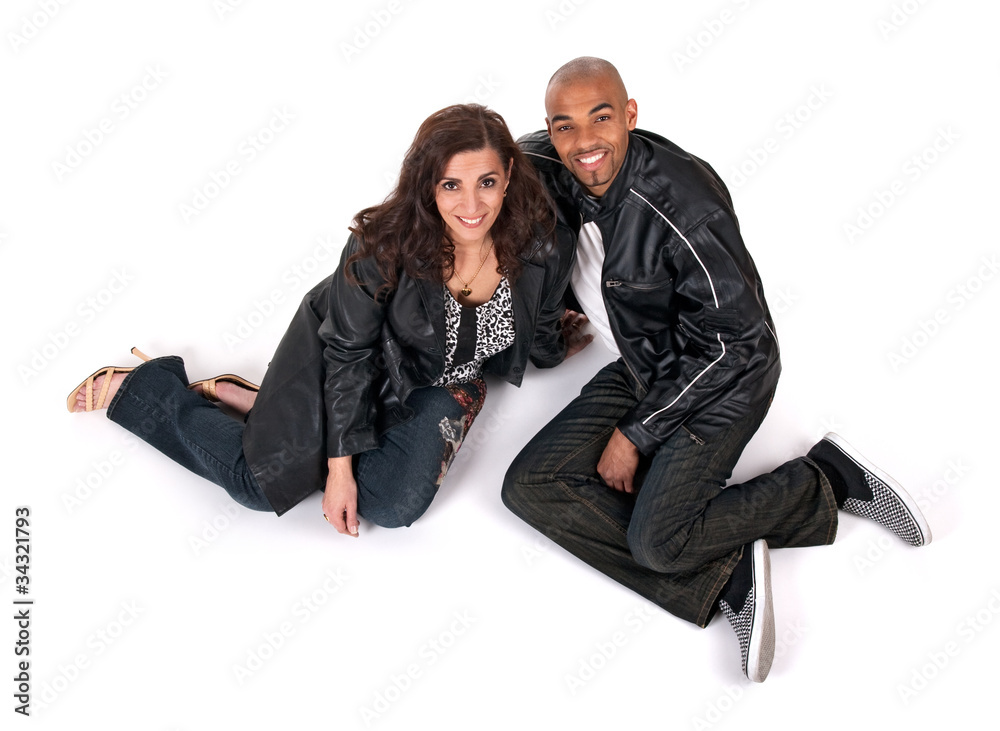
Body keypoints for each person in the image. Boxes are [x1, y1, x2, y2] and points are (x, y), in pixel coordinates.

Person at [501, 58, 931, 681]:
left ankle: (826, 482)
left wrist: (635, 434)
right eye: (565, 126)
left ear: (631, 115)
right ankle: (727, 572)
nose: (584, 142)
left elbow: (737, 341)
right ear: (549, 130)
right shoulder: (545, 166)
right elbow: (479, 165)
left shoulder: (685, 205)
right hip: (645, 358)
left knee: (659, 542)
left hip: (726, 376)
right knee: (528, 486)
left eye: (601, 118)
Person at [68, 103, 589, 536]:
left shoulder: (541, 242)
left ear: (509, 177)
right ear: (426, 185)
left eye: (487, 182)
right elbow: (349, 357)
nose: (472, 205)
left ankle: (258, 404)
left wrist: (554, 347)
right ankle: (146, 389)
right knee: (258, 486)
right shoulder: (381, 246)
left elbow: (538, 323)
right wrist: (338, 470)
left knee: (389, 505)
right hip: (343, 357)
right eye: (451, 185)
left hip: (437, 380)